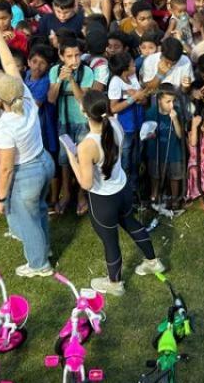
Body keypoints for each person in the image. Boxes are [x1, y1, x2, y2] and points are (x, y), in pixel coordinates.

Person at [63, 89, 163, 296]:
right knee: (131, 223)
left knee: (110, 241)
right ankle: (153, 262)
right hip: (122, 190)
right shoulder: (115, 124)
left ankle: (115, 283)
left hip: (103, 200)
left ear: (84, 112)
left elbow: (86, 184)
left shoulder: (87, 145)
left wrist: (73, 159)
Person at [0, 24, 56, 276]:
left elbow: (6, 169)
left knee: (28, 221)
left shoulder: (5, 127)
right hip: (44, 162)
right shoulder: (25, 96)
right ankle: (44, 248)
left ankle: (39, 264)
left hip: (26, 174)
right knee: (39, 211)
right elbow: (9, 64)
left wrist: (0, 199)